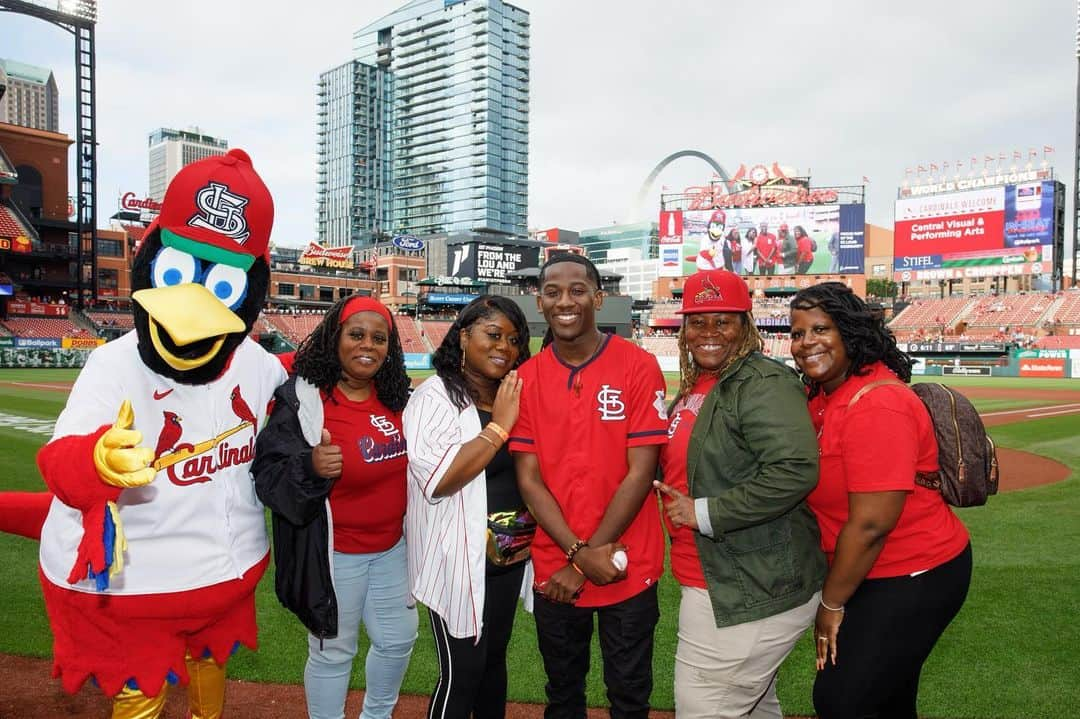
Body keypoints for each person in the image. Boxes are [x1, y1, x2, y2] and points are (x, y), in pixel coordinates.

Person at [788, 282, 972, 719]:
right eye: (797, 333)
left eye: (821, 329)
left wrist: (831, 606)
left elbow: (872, 525)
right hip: (868, 572)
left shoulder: (878, 403)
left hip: (912, 571)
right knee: (886, 699)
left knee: (841, 700)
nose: (806, 342)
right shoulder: (822, 395)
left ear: (850, 333)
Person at [652, 269, 826, 719]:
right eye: (697, 321)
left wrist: (705, 512)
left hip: (750, 583)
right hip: (721, 576)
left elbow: (794, 470)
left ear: (745, 325)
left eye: (722, 320)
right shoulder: (701, 385)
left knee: (703, 709)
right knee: (754, 708)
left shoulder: (762, 382)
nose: (708, 332)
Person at [509, 253, 669, 719]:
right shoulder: (527, 379)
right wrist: (576, 557)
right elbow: (529, 478)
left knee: (630, 697)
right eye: (553, 292)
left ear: (598, 298)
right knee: (563, 696)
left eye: (578, 290)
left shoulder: (638, 366)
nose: (566, 301)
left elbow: (640, 473)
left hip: (626, 561)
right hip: (555, 567)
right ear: (540, 301)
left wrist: (581, 561)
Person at [253, 295, 418, 719]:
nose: (368, 345)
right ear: (335, 338)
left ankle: (376, 716)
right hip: (333, 554)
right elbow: (267, 474)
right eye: (357, 334)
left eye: (379, 338)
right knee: (333, 651)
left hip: (392, 550)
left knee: (398, 639)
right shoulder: (304, 399)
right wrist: (309, 464)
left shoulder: (399, 398)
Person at [403, 295, 534, 719]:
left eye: (514, 340)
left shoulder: (512, 394)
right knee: (463, 671)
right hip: (456, 558)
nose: (504, 347)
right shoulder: (435, 398)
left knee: (494, 663)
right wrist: (499, 427)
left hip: (508, 555)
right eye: (492, 335)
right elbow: (440, 479)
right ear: (463, 336)